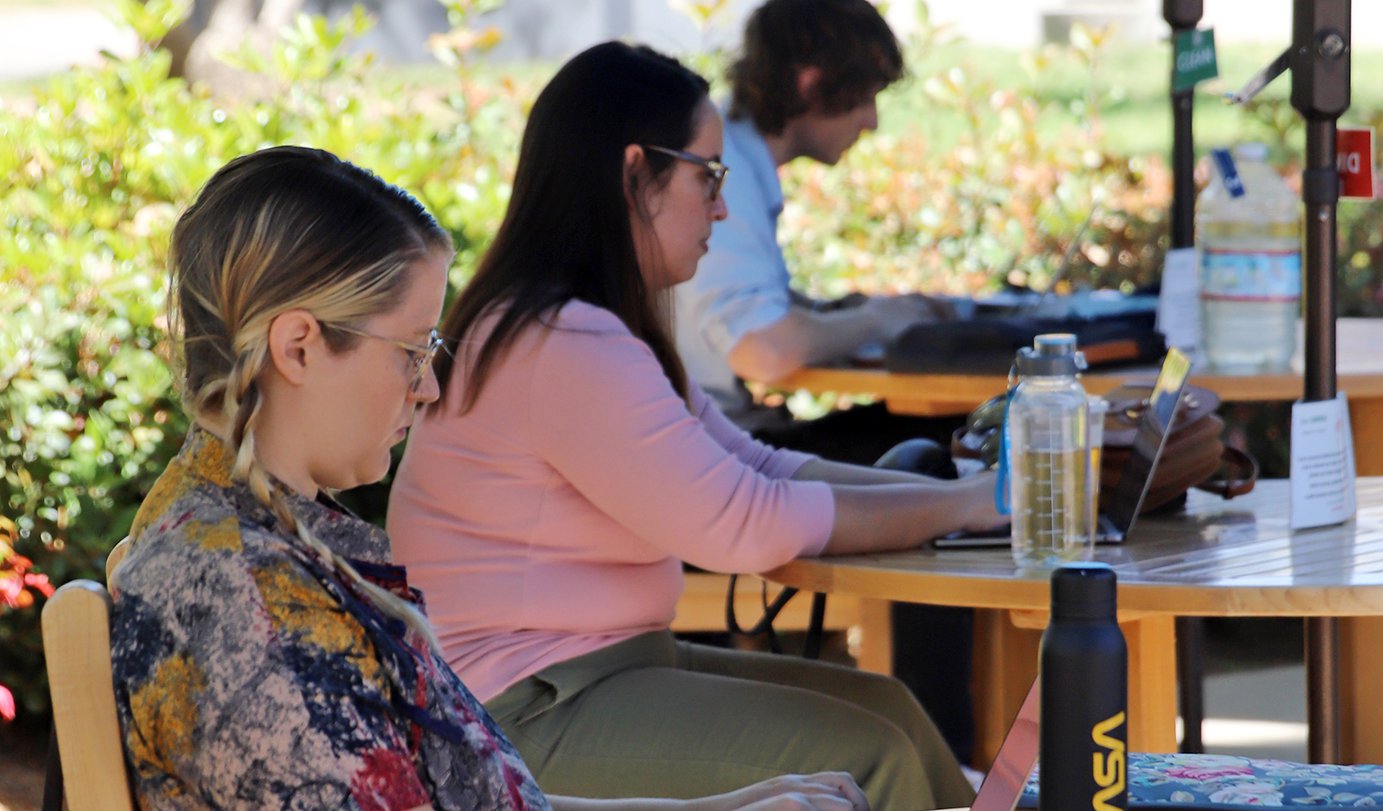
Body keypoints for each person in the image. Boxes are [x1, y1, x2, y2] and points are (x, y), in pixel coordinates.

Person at [109, 145, 870, 811]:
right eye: (411, 352)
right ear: (300, 347)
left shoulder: (260, 544)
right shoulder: (248, 602)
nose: (429, 388)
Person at [386, 41, 1000, 811]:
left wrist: (979, 496)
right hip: (513, 715)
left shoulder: (582, 324)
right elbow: (746, 523)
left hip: (593, 674)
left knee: (893, 712)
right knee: (870, 754)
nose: (721, 206)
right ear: (635, 173)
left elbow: (756, 463)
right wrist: (972, 503)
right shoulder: (562, 341)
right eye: (708, 176)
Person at [671, 0, 977, 763]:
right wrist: (882, 317)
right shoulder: (727, 170)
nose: (872, 121)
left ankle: (950, 737)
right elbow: (764, 350)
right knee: (934, 452)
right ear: (812, 82)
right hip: (710, 457)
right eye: (866, 93)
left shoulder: (737, 161)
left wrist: (845, 312)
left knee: (933, 457)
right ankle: (948, 736)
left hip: (715, 438)